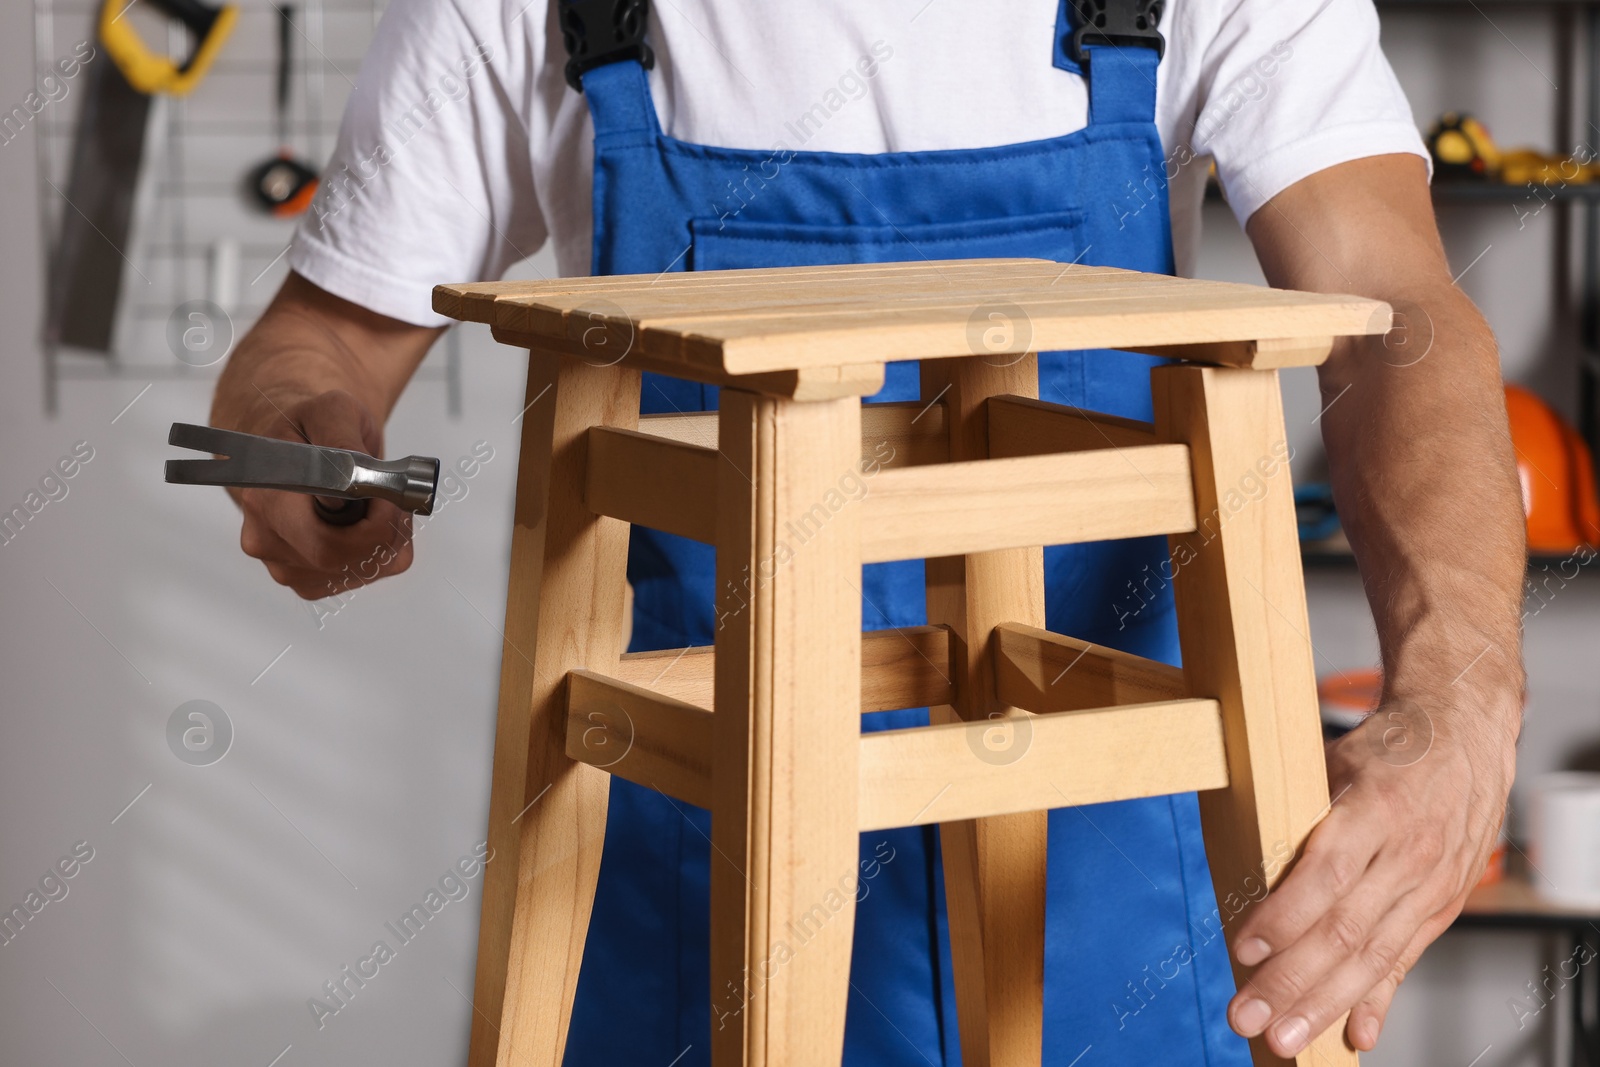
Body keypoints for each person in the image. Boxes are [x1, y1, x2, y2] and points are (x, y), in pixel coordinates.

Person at [210, 0, 1526, 1063]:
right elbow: (318, 344)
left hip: (1131, 911)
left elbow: (1394, 312)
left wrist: (1465, 698)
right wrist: (306, 453)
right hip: (702, 914)